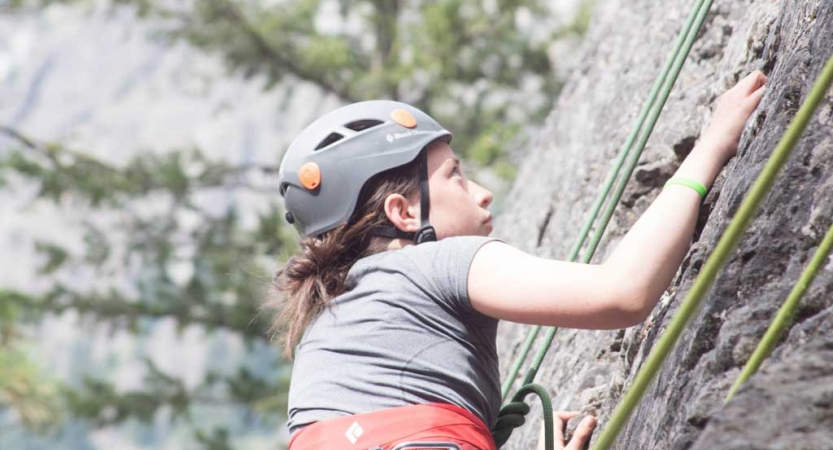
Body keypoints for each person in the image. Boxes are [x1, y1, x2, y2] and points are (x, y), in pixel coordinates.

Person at [273, 71, 767, 450]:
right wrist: (712, 146)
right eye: (456, 177)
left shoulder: (331, 327)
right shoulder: (435, 264)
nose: (483, 195)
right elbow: (623, 292)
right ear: (402, 213)